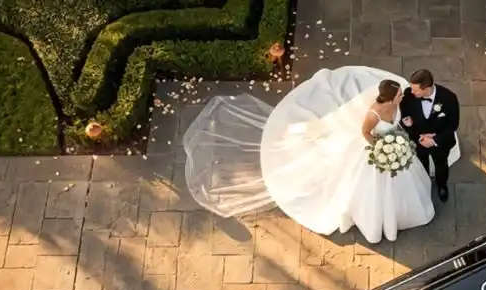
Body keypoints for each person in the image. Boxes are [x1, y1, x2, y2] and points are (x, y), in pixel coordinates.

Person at [182, 66, 436, 244]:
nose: (402, 96)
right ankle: (378, 220)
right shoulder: (373, 113)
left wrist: (398, 135)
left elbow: (397, 121)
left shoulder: (396, 106)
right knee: (372, 188)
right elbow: (365, 133)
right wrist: (379, 148)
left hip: (392, 145)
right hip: (376, 151)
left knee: (402, 180)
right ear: (389, 98)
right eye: (399, 94)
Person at [399, 68, 460, 202]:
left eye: (416, 90)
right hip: (418, 140)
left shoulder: (449, 98)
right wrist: (407, 123)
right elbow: (404, 112)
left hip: (439, 143)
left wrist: (434, 140)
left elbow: (453, 125)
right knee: (421, 164)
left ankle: (442, 186)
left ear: (426, 89)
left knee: (441, 165)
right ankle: (424, 183)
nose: (411, 92)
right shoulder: (409, 94)